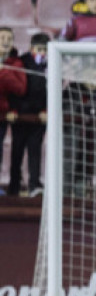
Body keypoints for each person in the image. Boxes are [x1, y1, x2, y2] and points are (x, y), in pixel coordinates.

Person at [6, 33, 49, 197]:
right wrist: (15, 109)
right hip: (21, 116)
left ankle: (34, 185)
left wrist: (45, 110)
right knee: (17, 151)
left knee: (35, 151)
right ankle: (14, 186)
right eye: (39, 49)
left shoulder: (53, 63)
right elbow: (16, 89)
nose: (42, 53)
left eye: (45, 49)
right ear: (31, 48)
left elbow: (52, 91)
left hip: (39, 118)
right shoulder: (21, 62)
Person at [62, 68, 96, 196]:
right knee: (69, 165)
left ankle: (80, 193)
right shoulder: (72, 90)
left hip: (93, 139)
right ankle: (64, 194)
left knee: (87, 165)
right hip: (72, 138)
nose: (94, 79)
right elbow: (65, 111)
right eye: (91, 75)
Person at [0, 27, 26, 196]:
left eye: (9, 38)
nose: (6, 41)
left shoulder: (16, 64)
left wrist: (3, 71)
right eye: (2, 37)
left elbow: (20, 88)